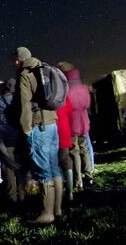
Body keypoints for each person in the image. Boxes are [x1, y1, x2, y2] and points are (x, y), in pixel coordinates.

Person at [14, 46, 62, 224]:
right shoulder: (43, 68)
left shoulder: (25, 75)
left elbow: (25, 105)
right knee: (54, 166)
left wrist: (26, 129)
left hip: (38, 126)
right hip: (52, 123)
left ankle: (46, 214)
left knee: (43, 169)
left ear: (19, 60)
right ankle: (57, 209)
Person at [0, 78, 25, 204]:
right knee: (20, 166)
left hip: (4, 137)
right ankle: (22, 195)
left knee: (9, 167)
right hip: (20, 136)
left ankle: (12, 197)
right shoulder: (20, 99)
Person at [59, 62, 94, 191]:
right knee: (84, 149)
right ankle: (89, 176)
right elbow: (87, 104)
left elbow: (66, 107)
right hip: (84, 121)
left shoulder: (66, 90)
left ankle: (78, 179)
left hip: (73, 123)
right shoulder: (83, 87)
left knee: (74, 151)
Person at [55, 94, 73, 205]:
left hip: (51, 130)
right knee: (65, 160)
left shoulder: (45, 93)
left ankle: (59, 192)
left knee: (54, 163)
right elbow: (70, 112)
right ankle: (70, 193)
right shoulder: (63, 94)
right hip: (64, 128)